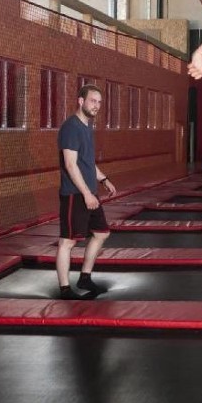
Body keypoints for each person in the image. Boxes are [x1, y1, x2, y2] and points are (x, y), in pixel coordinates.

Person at [56, 84, 117, 300]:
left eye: (99, 102)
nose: (97, 105)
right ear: (80, 101)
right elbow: (71, 165)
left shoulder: (86, 126)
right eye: (93, 101)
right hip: (75, 193)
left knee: (101, 233)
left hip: (89, 191)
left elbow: (87, 163)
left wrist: (103, 179)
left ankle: (84, 278)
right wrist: (86, 194)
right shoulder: (71, 127)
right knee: (68, 241)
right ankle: (64, 289)